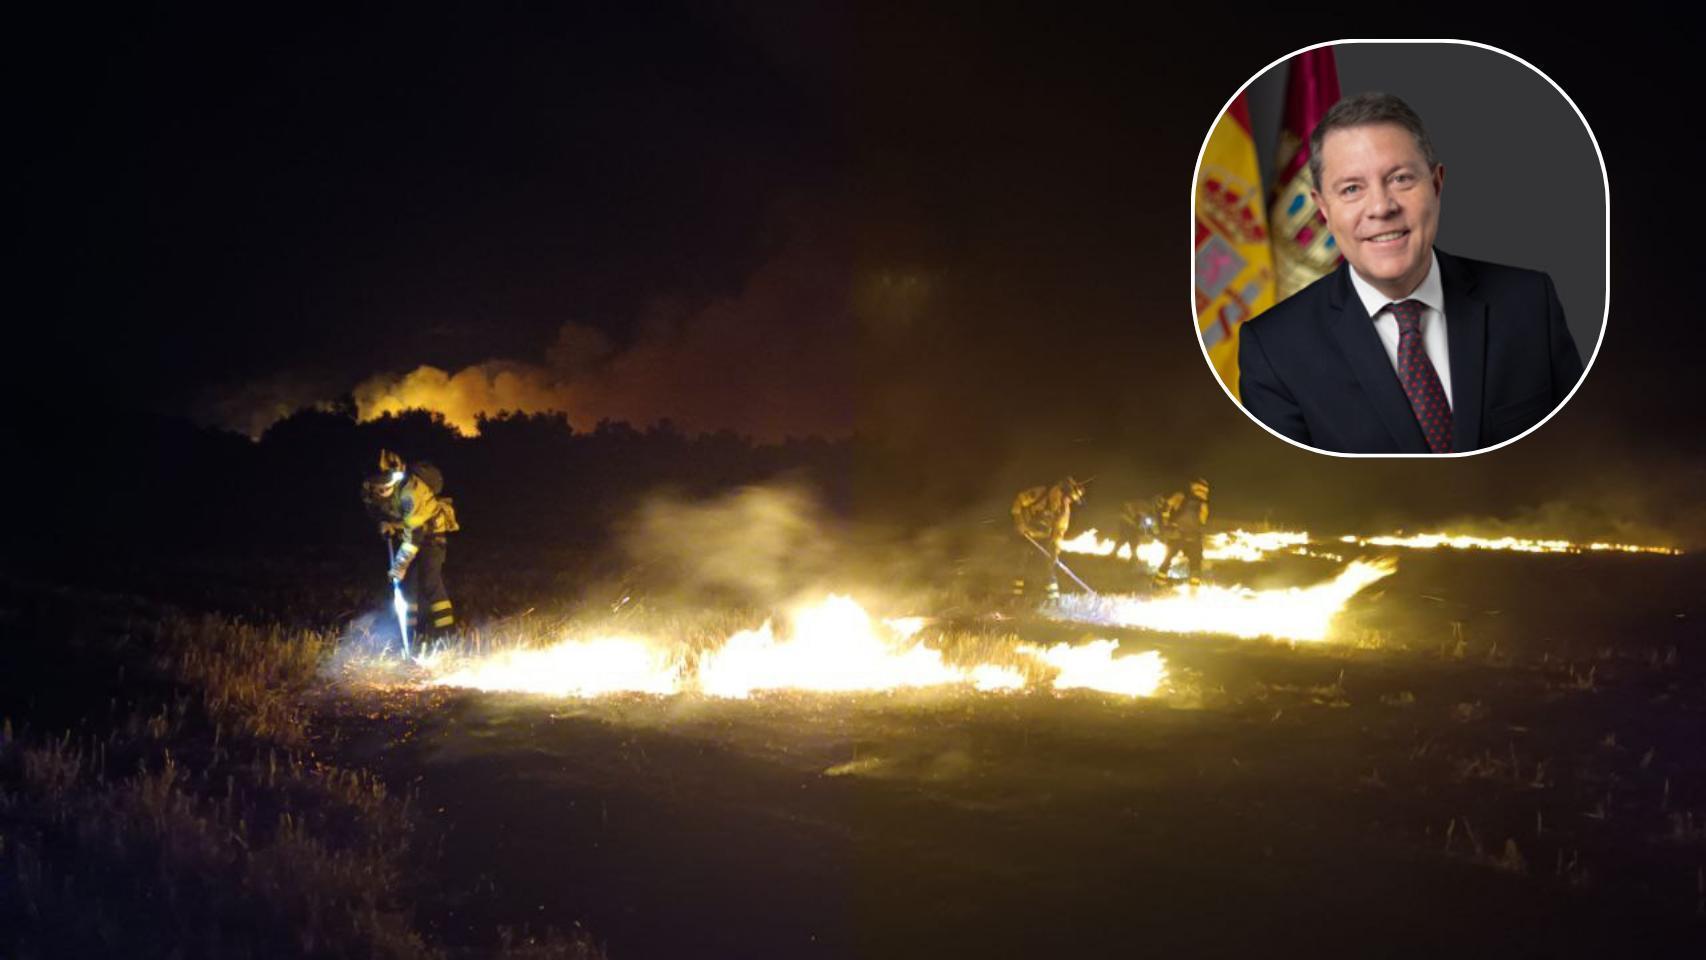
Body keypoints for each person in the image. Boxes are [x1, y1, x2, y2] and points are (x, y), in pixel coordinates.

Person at [1237, 92, 1585, 454]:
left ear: (1436, 184)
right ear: (1323, 208)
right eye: (1352, 189)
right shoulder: (1274, 349)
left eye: (1400, 179)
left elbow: (1584, 453)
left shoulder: (1530, 303)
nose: (1381, 207)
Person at [362, 449, 460, 644]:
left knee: (430, 582)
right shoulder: (369, 491)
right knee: (408, 587)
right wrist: (385, 524)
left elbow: (414, 535)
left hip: (431, 534)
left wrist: (399, 566)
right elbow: (379, 513)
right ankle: (409, 635)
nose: (382, 489)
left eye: (386, 484)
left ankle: (447, 635)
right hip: (408, 531)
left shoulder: (411, 492)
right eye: (378, 485)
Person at [1010, 477, 1085, 603]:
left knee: (1048, 568)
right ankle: (1016, 596)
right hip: (1026, 535)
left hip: (1045, 539)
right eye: (1069, 498)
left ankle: (1053, 599)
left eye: (1071, 500)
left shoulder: (1063, 509)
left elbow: (1059, 531)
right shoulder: (1041, 493)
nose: (1069, 501)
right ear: (1061, 491)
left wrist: (1055, 550)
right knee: (1021, 564)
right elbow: (1019, 501)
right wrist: (1019, 522)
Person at [1152, 478, 1209, 590]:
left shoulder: (1181, 496)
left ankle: (1158, 584)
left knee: (1168, 559)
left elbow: (1165, 507)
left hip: (1177, 534)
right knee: (1195, 564)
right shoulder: (1203, 504)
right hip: (1193, 537)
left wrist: (1165, 522)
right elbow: (1202, 521)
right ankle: (1193, 590)